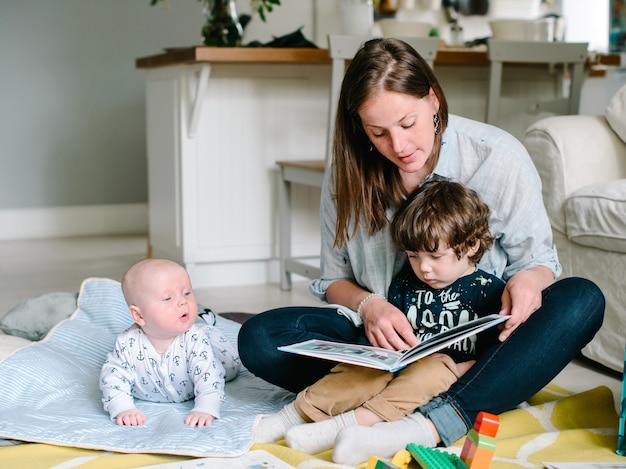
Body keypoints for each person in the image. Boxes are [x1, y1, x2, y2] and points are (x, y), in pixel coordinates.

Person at [238, 37, 604, 466]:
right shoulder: (350, 173)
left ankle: (423, 424)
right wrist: (371, 306)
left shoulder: (497, 158)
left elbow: (539, 263)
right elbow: (334, 280)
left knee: (582, 300)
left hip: (473, 352)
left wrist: (528, 281)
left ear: (432, 99)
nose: (399, 145)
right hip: (380, 352)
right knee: (260, 338)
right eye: (378, 133)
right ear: (360, 128)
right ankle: (464, 392)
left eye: (408, 123)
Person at [255, 180, 506, 454]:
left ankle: (347, 426)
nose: (424, 268)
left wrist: (456, 368)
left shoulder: (490, 292)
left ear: (471, 245)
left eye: (435, 256)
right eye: (413, 256)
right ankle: (292, 416)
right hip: (398, 362)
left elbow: (495, 359)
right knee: (362, 370)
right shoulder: (406, 283)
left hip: (447, 376)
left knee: (431, 373)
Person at [99, 258, 240, 427]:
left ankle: (207, 323)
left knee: (230, 366)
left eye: (187, 293)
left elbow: (208, 378)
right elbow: (112, 380)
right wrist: (123, 408)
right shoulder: (127, 344)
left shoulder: (194, 339)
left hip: (211, 351)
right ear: (139, 316)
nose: (183, 301)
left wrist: (205, 408)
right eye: (167, 298)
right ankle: (204, 319)